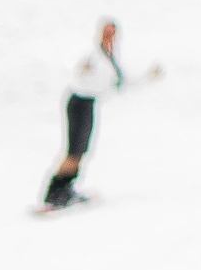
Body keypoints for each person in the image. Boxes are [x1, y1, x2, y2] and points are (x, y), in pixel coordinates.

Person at [41, 19, 156, 211]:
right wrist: (80, 67)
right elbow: (70, 63)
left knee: (82, 150)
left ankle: (67, 188)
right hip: (78, 102)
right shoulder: (90, 52)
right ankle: (54, 193)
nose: (108, 36)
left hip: (89, 104)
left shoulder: (111, 56)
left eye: (112, 33)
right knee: (74, 150)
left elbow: (124, 81)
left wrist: (148, 76)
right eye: (106, 32)